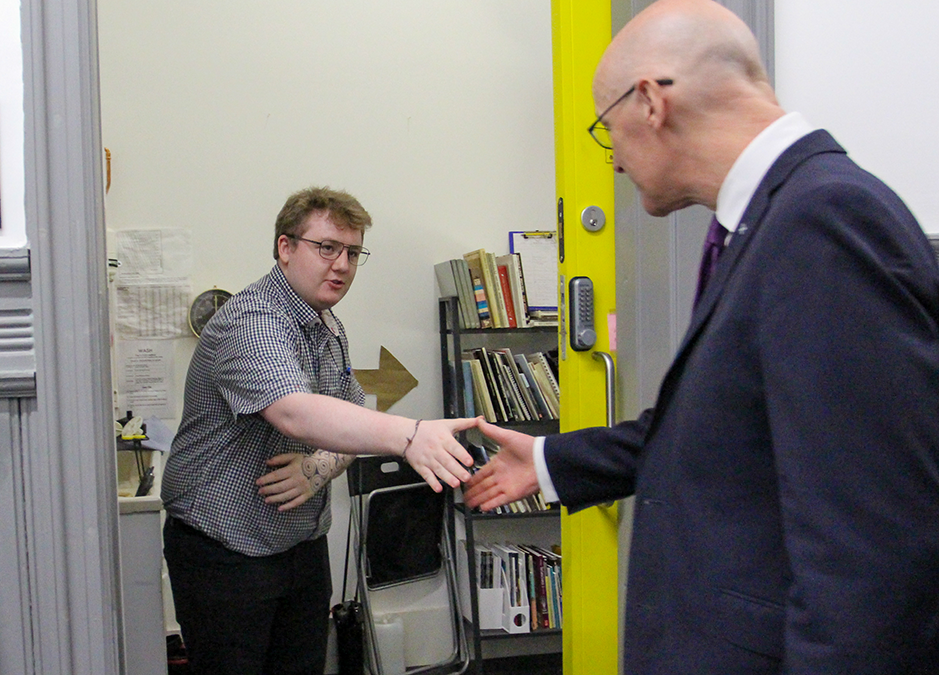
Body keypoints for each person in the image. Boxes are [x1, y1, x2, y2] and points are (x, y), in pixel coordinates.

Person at [462, 1, 939, 673]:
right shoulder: (771, 221)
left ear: (650, 102)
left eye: (608, 132)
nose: (617, 165)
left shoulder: (824, 222)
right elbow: (724, 427)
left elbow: (871, 555)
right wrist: (547, 461)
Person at [161, 186, 476, 675]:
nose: (342, 265)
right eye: (326, 247)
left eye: (352, 252)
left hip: (299, 548)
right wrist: (410, 435)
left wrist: (315, 468)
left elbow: (346, 421)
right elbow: (294, 413)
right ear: (285, 248)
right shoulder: (253, 319)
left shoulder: (326, 324)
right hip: (225, 552)